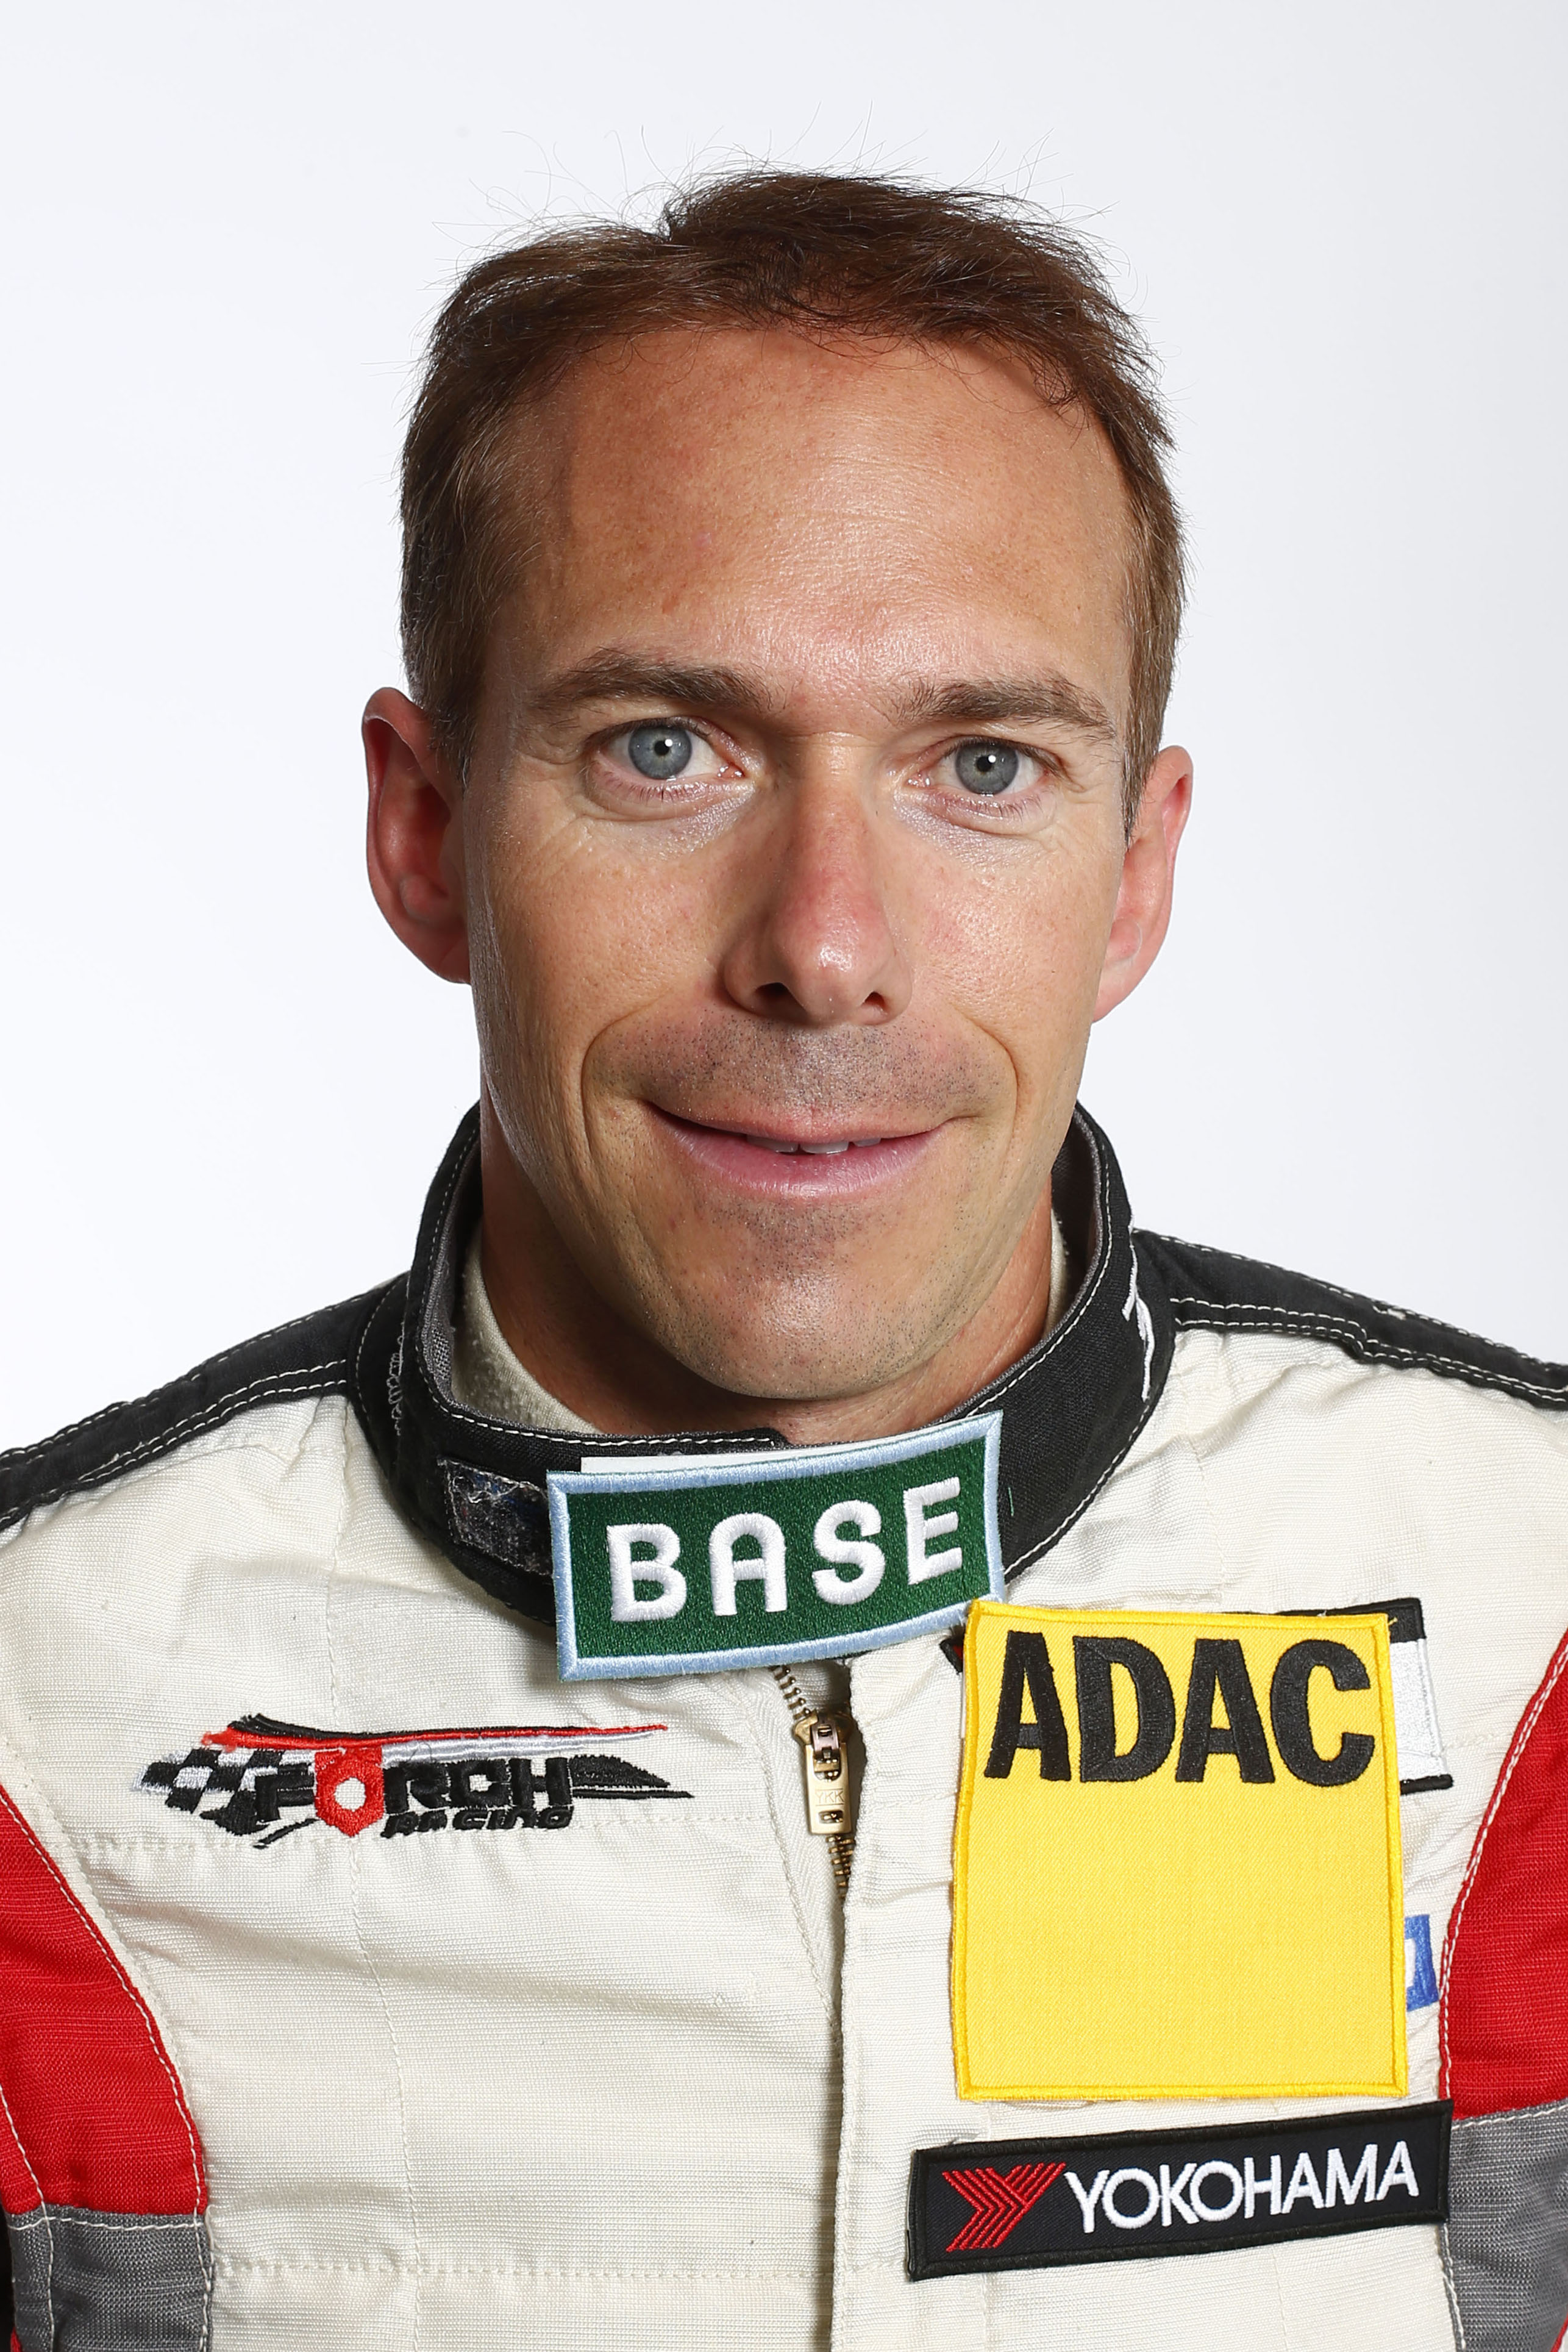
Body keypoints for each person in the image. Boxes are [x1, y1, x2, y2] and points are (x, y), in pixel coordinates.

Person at [1, 168, 1564, 2352]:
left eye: (980, 763)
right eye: (663, 750)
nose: (823, 947)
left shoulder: (1532, 1613)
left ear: (1134, 873)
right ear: (426, 831)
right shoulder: (33, 1718)